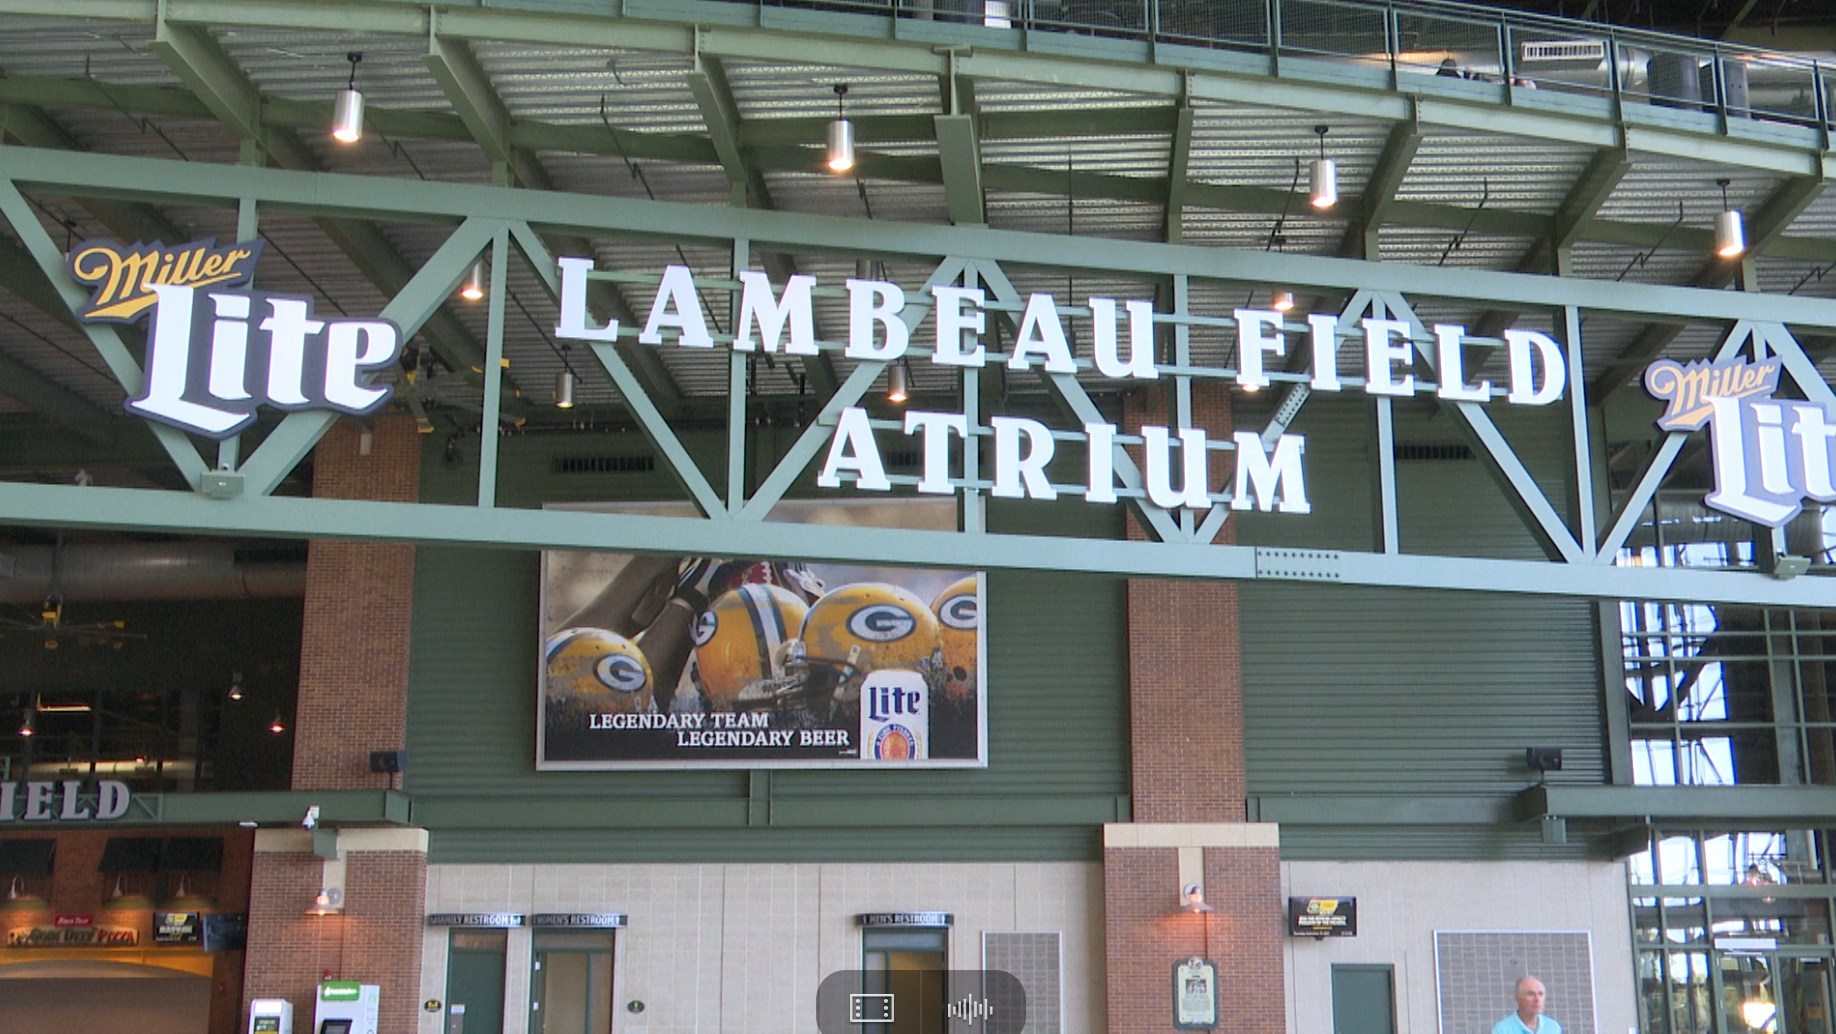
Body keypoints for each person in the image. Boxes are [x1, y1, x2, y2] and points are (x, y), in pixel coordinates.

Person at [1493, 976, 1562, 1034]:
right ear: (1518, 998)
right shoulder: (1502, 1030)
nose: (1537, 1000)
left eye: (1540, 994)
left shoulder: (1553, 1027)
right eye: (1531, 994)